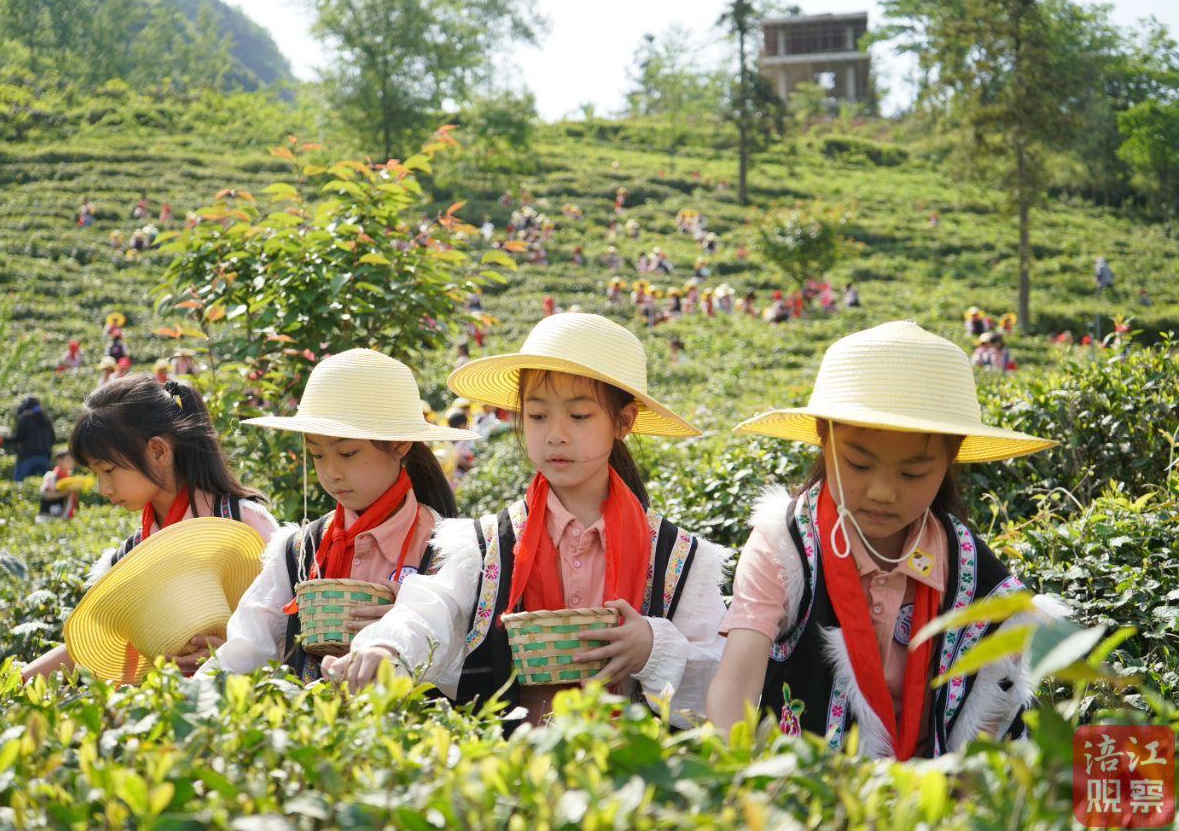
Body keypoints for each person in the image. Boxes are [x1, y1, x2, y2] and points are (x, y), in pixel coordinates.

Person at [331, 313, 730, 727]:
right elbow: (434, 608)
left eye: (579, 416)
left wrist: (653, 649)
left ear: (623, 422)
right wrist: (386, 647)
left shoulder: (676, 557)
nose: (555, 434)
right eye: (538, 416)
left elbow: (724, 682)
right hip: (517, 762)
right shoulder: (487, 545)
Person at [707, 321, 1060, 758]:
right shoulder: (784, 546)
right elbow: (737, 681)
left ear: (950, 459)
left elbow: (992, 705)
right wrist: (736, 769)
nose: (882, 492)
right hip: (808, 785)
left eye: (913, 473)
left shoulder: (967, 562)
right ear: (823, 437)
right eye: (858, 464)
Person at [199, 350, 477, 681]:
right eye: (317, 454)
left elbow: (470, 669)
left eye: (347, 453)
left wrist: (409, 636)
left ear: (400, 444)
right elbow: (245, 651)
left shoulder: (449, 551)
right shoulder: (298, 551)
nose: (331, 473)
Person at [20, 375, 279, 681]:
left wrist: (232, 655)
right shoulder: (129, 554)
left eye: (108, 470)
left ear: (158, 451)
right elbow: (94, 646)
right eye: (96, 473)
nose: (104, 488)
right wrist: (20, 680)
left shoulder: (243, 522)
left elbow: (289, 626)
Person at [4, 394, 56, 481]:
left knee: (19, 482)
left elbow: (19, 437)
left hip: (27, 457)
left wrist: (7, 439)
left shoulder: (25, 418)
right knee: (39, 484)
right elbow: (53, 438)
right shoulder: (47, 419)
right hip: (44, 457)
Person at [37, 449, 83, 522]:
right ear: (59, 461)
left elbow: (75, 500)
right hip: (50, 518)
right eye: (69, 460)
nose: (72, 463)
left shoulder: (71, 478)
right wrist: (64, 493)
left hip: (67, 516)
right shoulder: (51, 476)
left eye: (73, 461)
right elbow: (46, 494)